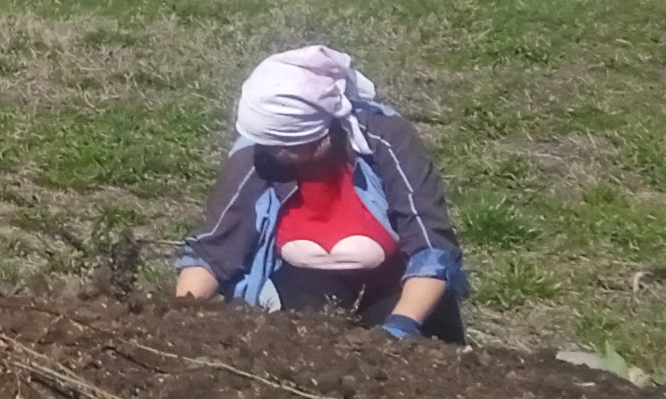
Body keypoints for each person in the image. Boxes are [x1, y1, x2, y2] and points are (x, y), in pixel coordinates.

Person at [170, 45, 467, 342]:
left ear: (322, 130)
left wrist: (401, 326)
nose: (276, 153)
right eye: (269, 144)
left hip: (396, 282)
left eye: (288, 145)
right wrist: (179, 316)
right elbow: (216, 247)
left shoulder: (384, 138)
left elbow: (430, 245)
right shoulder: (258, 154)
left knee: (426, 352)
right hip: (306, 284)